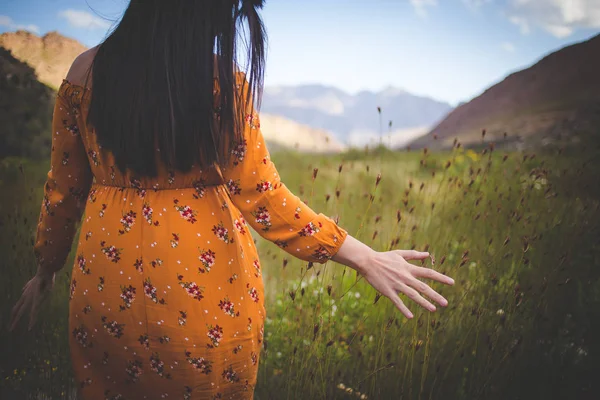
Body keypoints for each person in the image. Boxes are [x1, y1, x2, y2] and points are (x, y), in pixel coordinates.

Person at [8, 1, 455, 399]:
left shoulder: (83, 74)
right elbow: (264, 197)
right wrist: (365, 257)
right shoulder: (220, 83)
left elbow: (63, 192)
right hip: (205, 299)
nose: (226, 24)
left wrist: (46, 269)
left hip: (103, 292)